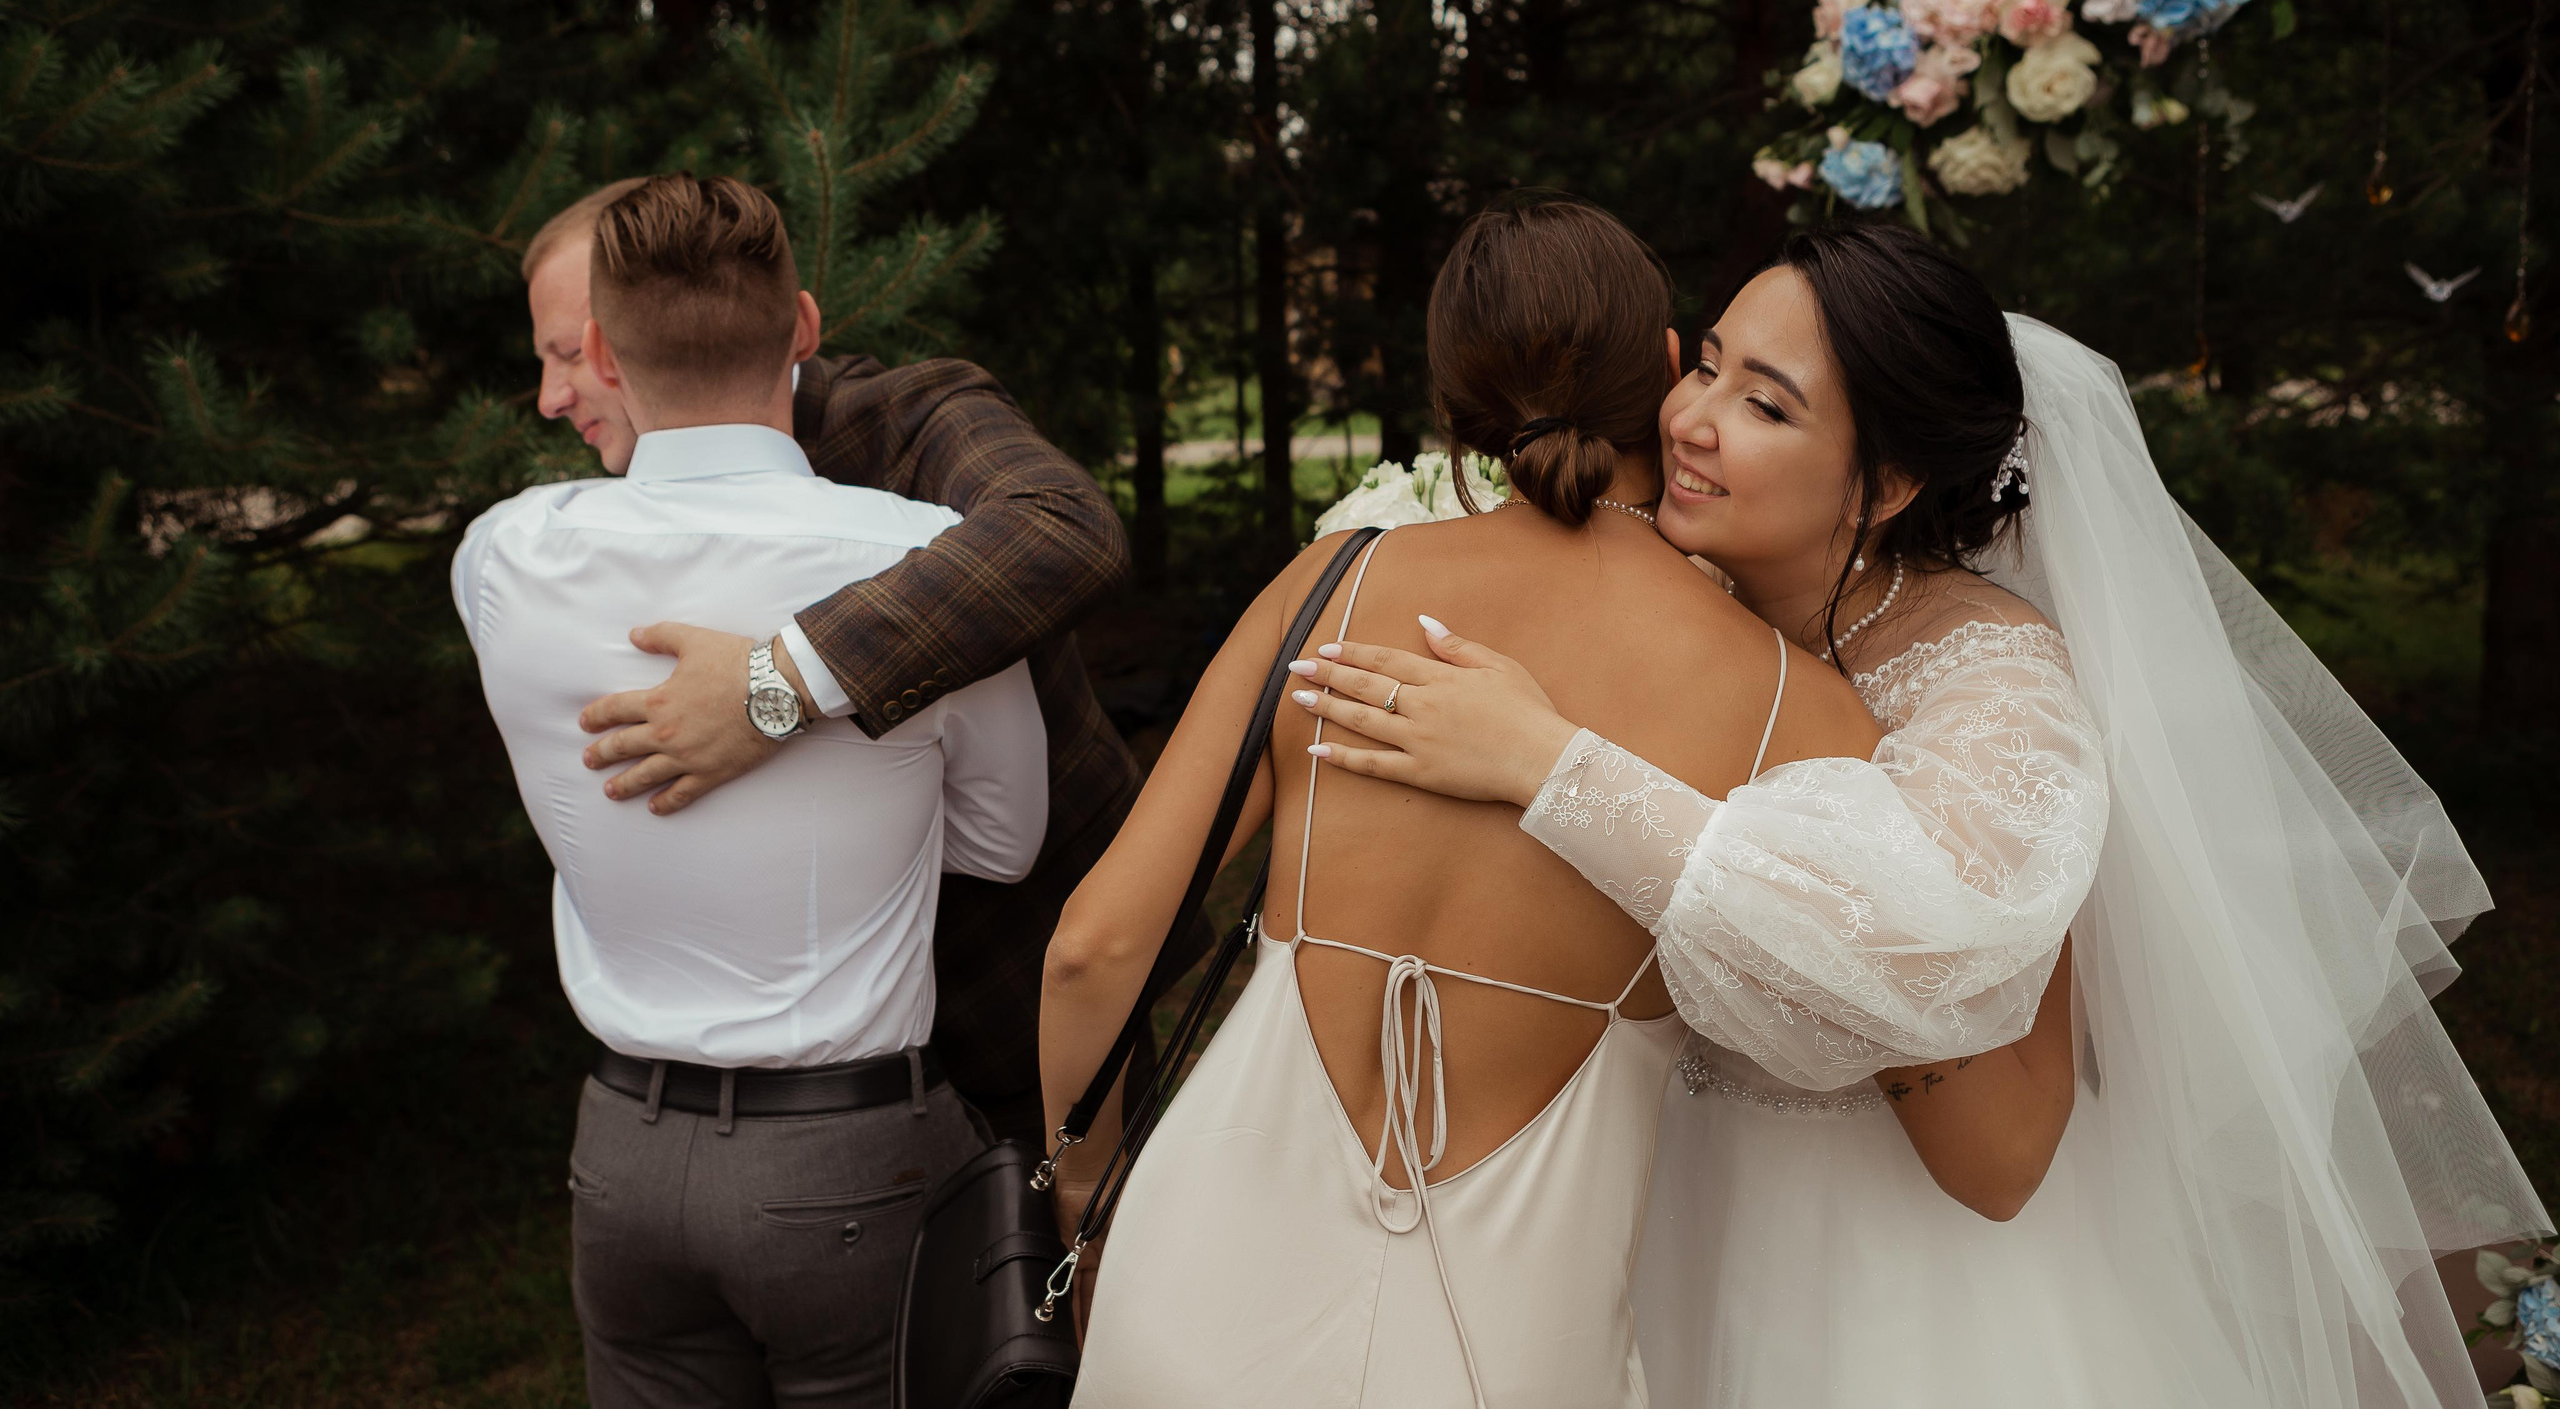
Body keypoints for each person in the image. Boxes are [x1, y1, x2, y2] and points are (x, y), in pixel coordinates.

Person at [1289, 222, 2549, 1408]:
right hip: (1619, 1227)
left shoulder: (1993, 685)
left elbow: (1999, 1157)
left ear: (1886, 479)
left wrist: (1557, 770)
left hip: (1882, 1289)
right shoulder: (1663, 607)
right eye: (1709, 368)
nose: (1692, 423)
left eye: (1764, 405)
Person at [1039, 199, 1883, 1408]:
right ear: (1659, 372)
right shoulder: (1798, 710)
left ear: (1453, 409)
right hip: (1515, 1341)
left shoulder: (1333, 585)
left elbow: (1093, 947)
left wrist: (1086, 1193)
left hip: (1194, 1280)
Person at [456, 173, 1052, 1407]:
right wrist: (851, 792)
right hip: (850, 1160)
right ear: (805, 329)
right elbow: (1005, 843)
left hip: (619, 1155)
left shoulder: (504, 556)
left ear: (606, 356)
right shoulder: (920, 559)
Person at [516, 179, 1150, 1144]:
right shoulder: (600, 526)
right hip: (820, 1083)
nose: (553, 393)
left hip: (1028, 971)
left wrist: (772, 687)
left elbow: (1063, 532)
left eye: (569, 353)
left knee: (1076, 1277)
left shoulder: (909, 418)